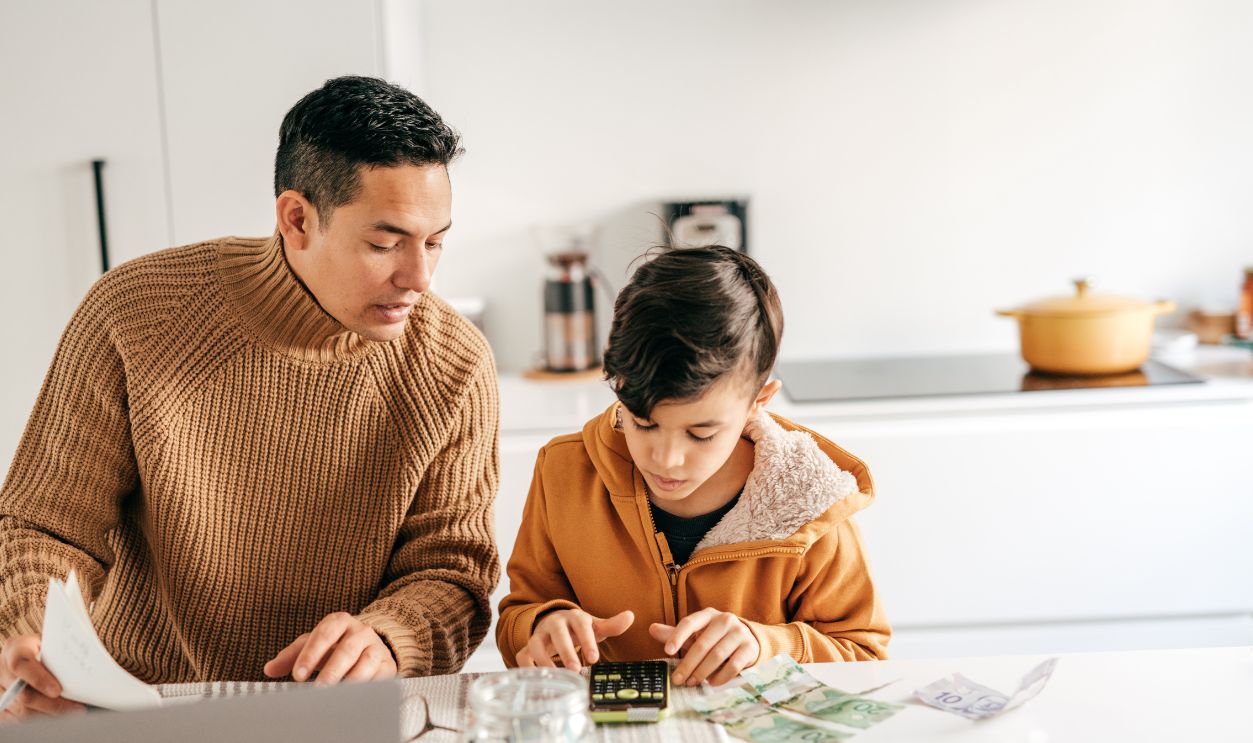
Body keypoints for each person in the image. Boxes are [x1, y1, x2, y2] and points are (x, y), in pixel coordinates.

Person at [0, 76, 500, 720]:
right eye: (384, 243)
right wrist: (33, 635)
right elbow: (44, 524)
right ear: (297, 219)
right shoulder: (136, 313)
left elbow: (454, 574)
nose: (420, 277)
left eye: (435, 241)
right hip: (137, 704)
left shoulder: (454, 363)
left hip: (340, 713)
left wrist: (386, 638)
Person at [497, 246, 890, 687]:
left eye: (700, 434)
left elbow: (863, 652)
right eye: (642, 422)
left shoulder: (813, 501)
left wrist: (766, 645)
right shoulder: (563, 471)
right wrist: (542, 625)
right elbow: (519, 615)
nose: (665, 459)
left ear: (758, 403)